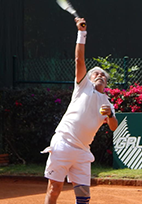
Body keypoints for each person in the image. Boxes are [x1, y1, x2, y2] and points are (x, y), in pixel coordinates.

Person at [42, 17, 118, 204]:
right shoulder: (83, 86)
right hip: (63, 144)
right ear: (89, 79)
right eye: (96, 74)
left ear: (106, 83)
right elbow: (79, 59)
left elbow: (114, 127)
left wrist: (110, 115)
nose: (100, 75)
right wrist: (81, 33)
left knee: (84, 197)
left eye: (103, 75)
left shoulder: (108, 103)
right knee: (54, 189)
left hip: (83, 151)